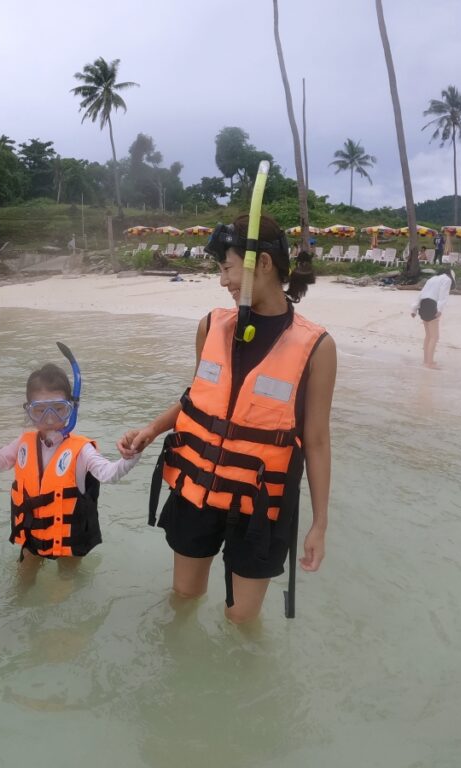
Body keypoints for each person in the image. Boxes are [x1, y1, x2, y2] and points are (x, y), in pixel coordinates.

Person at [118, 214, 336, 625]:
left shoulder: (317, 347)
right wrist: (152, 428)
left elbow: (318, 441)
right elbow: (198, 399)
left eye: (227, 268)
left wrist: (319, 524)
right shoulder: (211, 325)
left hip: (260, 508)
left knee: (241, 621)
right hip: (195, 489)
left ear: (263, 265)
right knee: (183, 598)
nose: (223, 281)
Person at [0, 354, 140, 568]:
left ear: (71, 408)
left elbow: (109, 474)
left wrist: (131, 454)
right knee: (21, 585)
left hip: (69, 541)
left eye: (59, 409)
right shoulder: (23, 444)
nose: (49, 419)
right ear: (29, 411)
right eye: (40, 411)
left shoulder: (81, 450)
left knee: (62, 590)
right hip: (33, 536)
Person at [411, 268, 455, 369]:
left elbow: (421, 294)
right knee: (435, 337)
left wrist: (414, 309)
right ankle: (429, 363)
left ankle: (426, 360)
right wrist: (439, 309)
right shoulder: (447, 279)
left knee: (428, 335)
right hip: (432, 305)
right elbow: (443, 295)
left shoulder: (431, 279)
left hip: (423, 304)